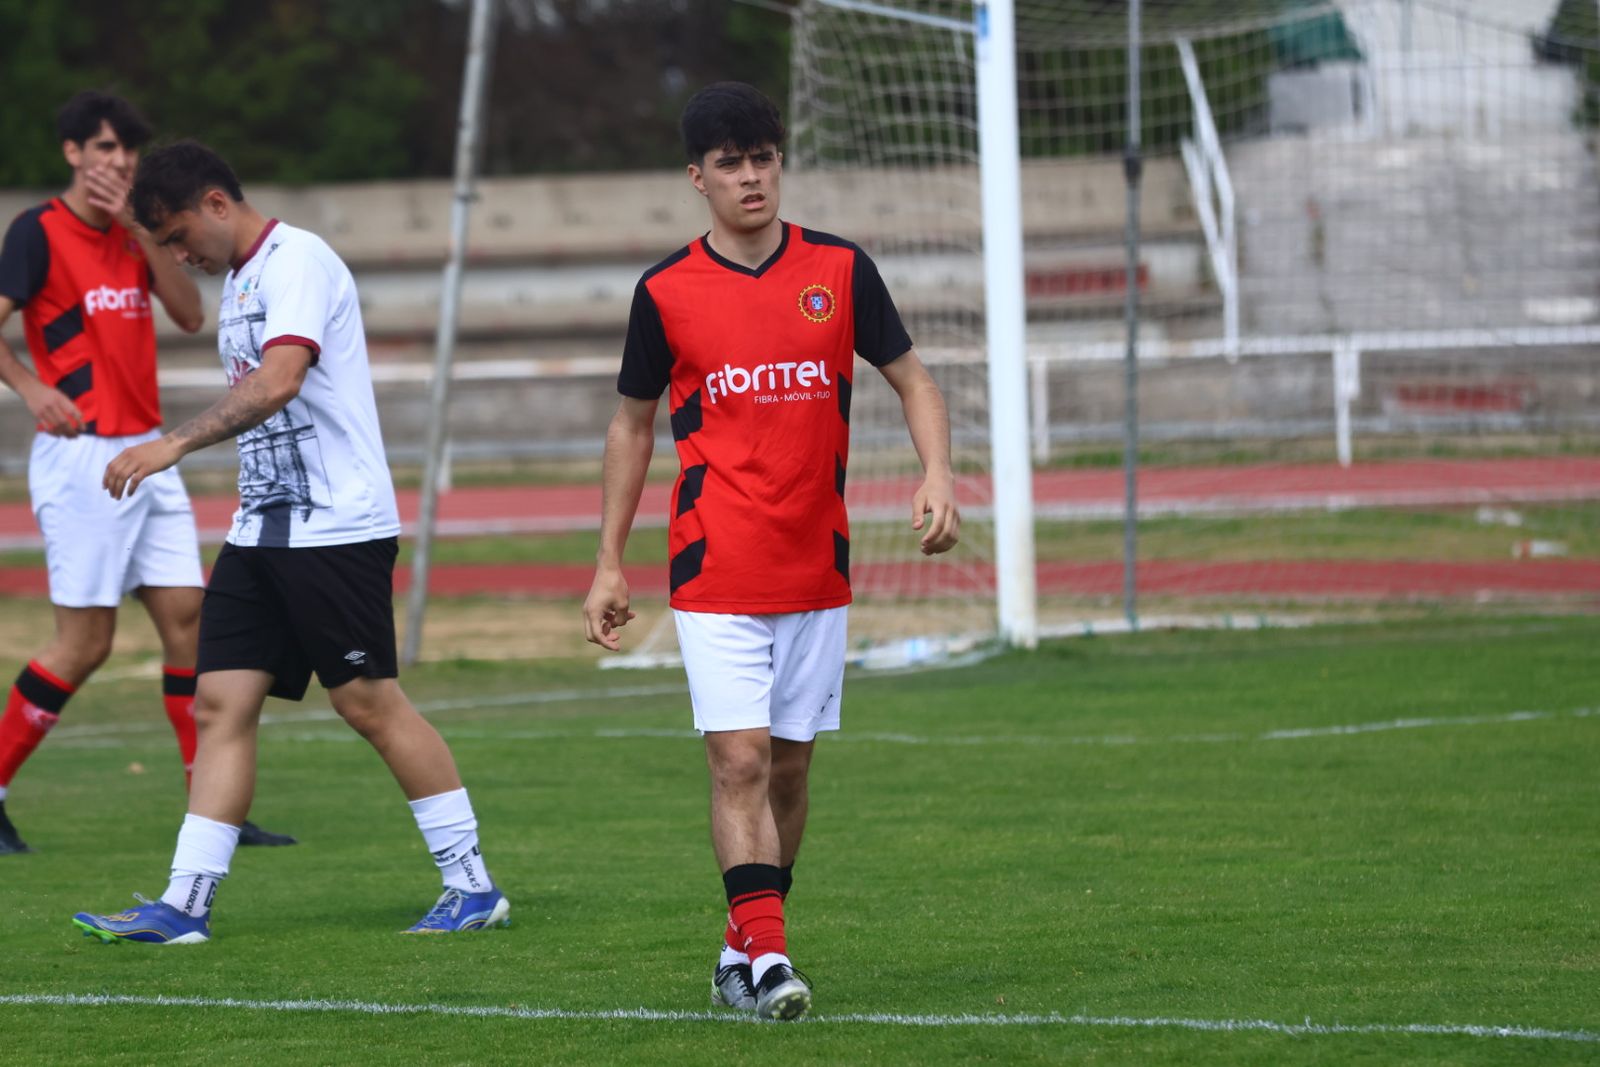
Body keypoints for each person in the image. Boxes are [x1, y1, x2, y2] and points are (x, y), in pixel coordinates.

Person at [581, 82, 960, 1021]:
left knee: (790, 771)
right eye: (731, 163)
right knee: (739, 762)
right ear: (696, 177)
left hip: (816, 568)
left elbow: (913, 378)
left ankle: (737, 949)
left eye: (764, 157)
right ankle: (775, 964)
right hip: (714, 568)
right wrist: (608, 561)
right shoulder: (664, 292)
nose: (752, 176)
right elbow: (631, 428)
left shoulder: (840, 266)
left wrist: (938, 472)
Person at [72, 141, 507, 944]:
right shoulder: (239, 280)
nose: (177, 255)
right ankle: (185, 903)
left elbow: (279, 380)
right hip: (261, 529)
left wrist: (171, 444)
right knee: (219, 703)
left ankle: (471, 883)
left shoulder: (296, 258)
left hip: (335, 528)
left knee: (367, 702)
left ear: (214, 202)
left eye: (175, 236)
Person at [0, 91, 293, 854]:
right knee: (85, 643)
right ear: (72, 154)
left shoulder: (139, 235)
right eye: (104, 149)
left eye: (127, 151)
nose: (118, 162)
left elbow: (192, 315)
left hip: (149, 450)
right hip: (82, 457)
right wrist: (32, 387)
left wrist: (139, 227)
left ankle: (211, 805)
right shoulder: (38, 232)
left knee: (189, 627)